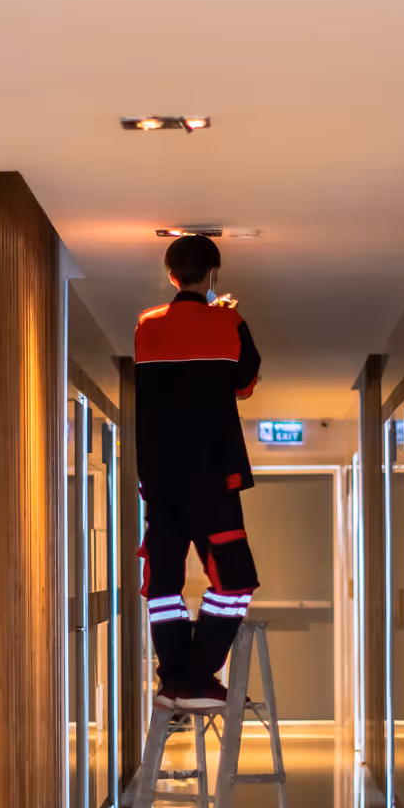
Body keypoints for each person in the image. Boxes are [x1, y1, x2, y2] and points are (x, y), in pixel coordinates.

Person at [134, 234, 262, 711]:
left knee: (163, 582)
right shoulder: (229, 320)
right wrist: (220, 313)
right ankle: (196, 674)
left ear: (171, 275)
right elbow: (246, 383)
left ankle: (177, 679)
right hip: (212, 478)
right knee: (236, 579)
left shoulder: (145, 327)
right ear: (213, 275)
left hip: (162, 482)